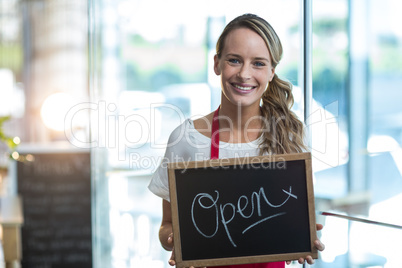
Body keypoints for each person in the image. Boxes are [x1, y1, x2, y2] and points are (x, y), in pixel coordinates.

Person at [148, 13, 325, 268]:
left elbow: (293, 221)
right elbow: (166, 227)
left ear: (272, 71)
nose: (244, 74)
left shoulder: (290, 135)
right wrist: (175, 239)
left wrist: (302, 237)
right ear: (217, 63)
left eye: (258, 63)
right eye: (234, 60)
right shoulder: (186, 138)